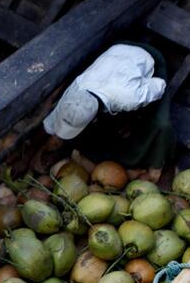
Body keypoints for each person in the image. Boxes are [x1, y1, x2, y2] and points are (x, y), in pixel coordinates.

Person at [35, 42, 176, 182]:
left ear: (94, 118)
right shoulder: (74, 92)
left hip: (148, 61)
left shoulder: (129, 98)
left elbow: (159, 86)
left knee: (162, 124)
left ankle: (168, 166)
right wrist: (26, 159)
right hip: (114, 54)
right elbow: (48, 126)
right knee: (106, 131)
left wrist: (134, 119)